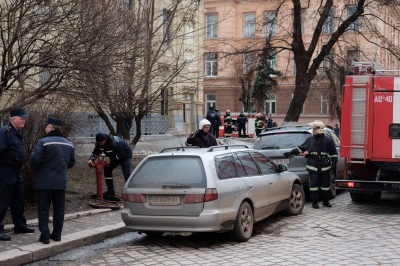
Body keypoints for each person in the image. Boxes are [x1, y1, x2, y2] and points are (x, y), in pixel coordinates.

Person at [30, 117, 76, 244]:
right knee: (59, 209)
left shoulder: (43, 142)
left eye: (46, 126)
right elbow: (72, 162)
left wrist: (38, 170)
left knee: (44, 208)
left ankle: (44, 235)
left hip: (45, 181)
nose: (45, 128)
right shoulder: (69, 143)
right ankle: (57, 234)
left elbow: (34, 161)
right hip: (61, 181)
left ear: (51, 127)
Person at [283, 120, 338, 209]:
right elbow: (301, 148)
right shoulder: (310, 139)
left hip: (324, 166)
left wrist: (334, 163)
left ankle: (325, 201)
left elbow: (333, 153)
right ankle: (314, 202)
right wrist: (291, 152)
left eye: (314, 129)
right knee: (314, 185)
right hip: (313, 165)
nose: (313, 131)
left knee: (325, 185)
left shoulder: (328, 140)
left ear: (319, 130)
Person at [0, 108, 35, 241]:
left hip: (16, 171)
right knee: (3, 200)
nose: (24, 120)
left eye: (24, 118)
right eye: (22, 118)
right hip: (5, 171)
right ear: (13, 118)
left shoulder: (17, 132)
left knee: (18, 200)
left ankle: (20, 225)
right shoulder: (5, 132)